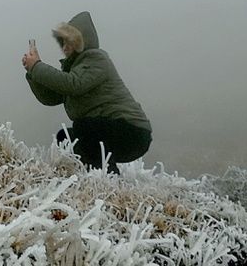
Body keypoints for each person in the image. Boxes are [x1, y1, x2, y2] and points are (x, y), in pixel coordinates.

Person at [22, 11, 151, 174]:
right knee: (66, 137)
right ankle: (86, 176)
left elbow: (73, 84)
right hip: (110, 131)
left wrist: (37, 66)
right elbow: (51, 97)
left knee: (85, 126)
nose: (65, 46)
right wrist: (32, 72)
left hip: (132, 132)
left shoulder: (96, 59)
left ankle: (108, 180)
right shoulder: (76, 68)